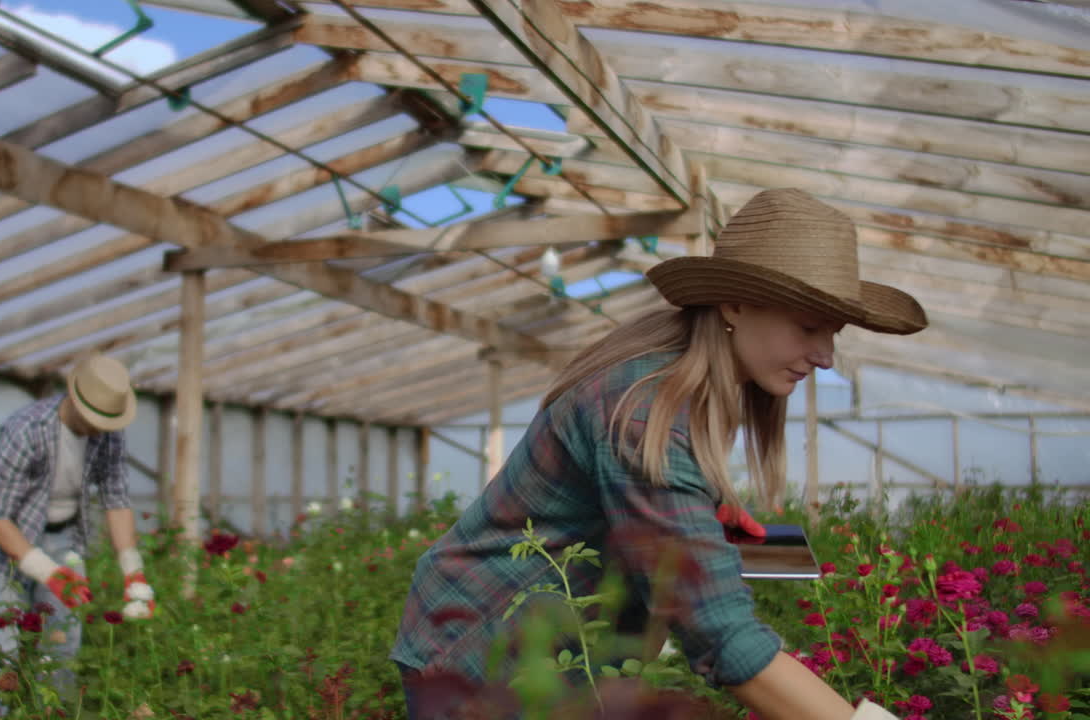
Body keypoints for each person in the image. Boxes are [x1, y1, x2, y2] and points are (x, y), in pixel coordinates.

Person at [390, 188, 927, 720]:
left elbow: (639, 512)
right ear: (735, 304)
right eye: (809, 327)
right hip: (482, 647)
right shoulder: (645, 408)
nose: (826, 357)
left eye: (833, 333)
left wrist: (707, 522)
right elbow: (721, 636)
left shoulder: (684, 381)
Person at [0, 353, 156, 718]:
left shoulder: (110, 436)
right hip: (5, 544)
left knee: (63, 643)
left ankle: (51, 713)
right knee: (1, 645)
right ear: (74, 398)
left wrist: (133, 570)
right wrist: (48, 573)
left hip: (64, 540)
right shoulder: (26, 431)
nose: (102, 428)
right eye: (96, 420)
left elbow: (116, 501)